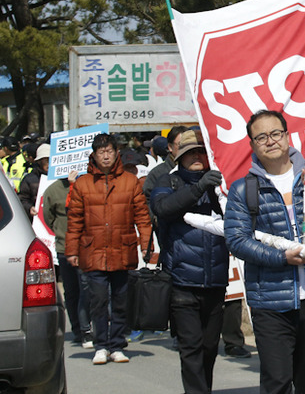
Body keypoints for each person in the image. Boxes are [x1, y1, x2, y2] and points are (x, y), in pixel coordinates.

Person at [224, 109, 305, 394]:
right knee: (277, 382)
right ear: (253, 145)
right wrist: (281, 258)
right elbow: (237, 240)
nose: (270, 141)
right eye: (261, 137)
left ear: (287, 136)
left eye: (276, 133)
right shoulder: (244, 189)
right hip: (270, 301)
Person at [150, 130, 230, 394]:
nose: (196, 157)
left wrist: (220, 189)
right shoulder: (166, 182)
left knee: (209, 348)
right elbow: (163, 209)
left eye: (201, 152)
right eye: (189, 153)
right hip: (182, 284)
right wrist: (198, 187)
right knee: (191, 348)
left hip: (217, 282)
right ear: (179, 157)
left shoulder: (222, 186)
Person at [64, 132, 152, 365]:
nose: (106, 156)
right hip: (93, 249)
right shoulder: (83, 183)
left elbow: (142, 217)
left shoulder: (129, 181)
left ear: (116, 153)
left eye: (110, 152)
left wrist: (146, 244)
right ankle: (101, 345)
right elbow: (74, 220)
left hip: (122, 248)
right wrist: (71, 251)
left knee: (122, 299)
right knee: (98, 299)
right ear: (94, 155)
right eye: (101, 152)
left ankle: (118, 345)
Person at [43, 164, 93, 349]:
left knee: (86, 289)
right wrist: (60, 231)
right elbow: (47, 217)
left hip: (85, 246)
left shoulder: (88, 184)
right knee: (72, 291)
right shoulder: (53, 190)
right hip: (64, 248)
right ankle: (79, 330)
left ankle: (87, 328)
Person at [17, 142, 46, 219]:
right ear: (39, 161)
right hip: (37, 221)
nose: (49, 163)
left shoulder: (63, 179)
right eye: (45, 160)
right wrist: (29, 208)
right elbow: (22, 199)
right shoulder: (29, 179)